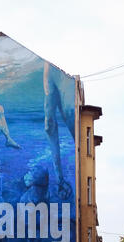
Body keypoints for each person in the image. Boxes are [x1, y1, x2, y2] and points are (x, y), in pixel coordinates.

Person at [43, 62, 75, 200]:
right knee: (49, 125)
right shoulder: (48, 67)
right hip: (55, 79)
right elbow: (49, 124)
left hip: (69, 100)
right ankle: (60, 179)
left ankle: (62, 179)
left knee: (66, 117)